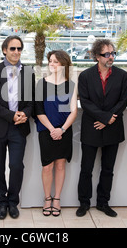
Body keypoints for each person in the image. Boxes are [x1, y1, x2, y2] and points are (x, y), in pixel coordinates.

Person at [0, 35, 35, 220]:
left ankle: (13, 202)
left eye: (19, 48)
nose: (16, 52)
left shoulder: (28, 72)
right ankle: (1, 202)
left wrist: (24, 114)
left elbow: (31, 101)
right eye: (12, 48)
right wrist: (10, 115)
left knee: (16, 165)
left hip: (19, 128)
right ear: (5, 50)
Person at [76, 39, 127, 218]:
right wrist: (105, 117)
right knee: (86, 168)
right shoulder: (85, 76)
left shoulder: (122, 75)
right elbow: (85, 102)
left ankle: (103, 202)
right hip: (91, 127)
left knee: (108, 169)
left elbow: (123, 101)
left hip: (113, 129)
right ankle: (84, 203)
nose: (111, 57)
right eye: (107, 54)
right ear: (97, 56)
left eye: (113, 53)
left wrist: (108, 120)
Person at [34, 50, 77, 216]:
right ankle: (47, 198)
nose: (52, 64)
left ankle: (57, 199)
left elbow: (73, 111)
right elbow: (39, 110)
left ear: (64, 64)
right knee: (47, 166)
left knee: (60, 165)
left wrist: (62, 129)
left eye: (56, 62)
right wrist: (52, 129)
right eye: (50, 61)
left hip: (64, 130)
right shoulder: (41, 83)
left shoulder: (70, 84)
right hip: (46, 130)